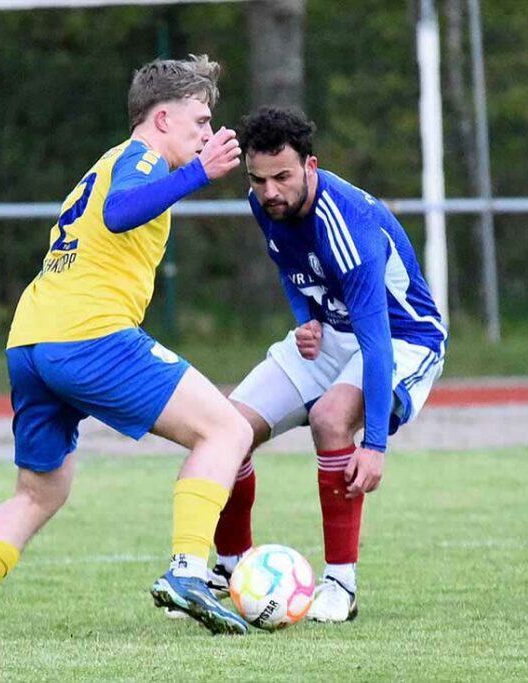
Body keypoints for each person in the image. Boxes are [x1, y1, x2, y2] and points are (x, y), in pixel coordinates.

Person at [0, 55, 254, 640]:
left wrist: (191, 173)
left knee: (39, 491)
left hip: (31, 341)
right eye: (198, 120)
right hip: (88, 335)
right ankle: (188, 571)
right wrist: (198, 173)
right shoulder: (140, 158)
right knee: (226, 430)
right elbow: (120, 211)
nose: (207, 133)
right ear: (159, 119)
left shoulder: (112, 162)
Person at [210, 106, 447, 622]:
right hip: (335, 331)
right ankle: (230, 571)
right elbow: (290, 267)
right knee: (226, 429)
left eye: (282, 177)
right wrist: (305, 318)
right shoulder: (263, 202)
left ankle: (341, 583)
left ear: (311, 166)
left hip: (403, 339)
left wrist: (376, 446)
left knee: (330, 418)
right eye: (258, 179)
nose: (270, 191)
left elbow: (377, 343)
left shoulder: (349, 228)